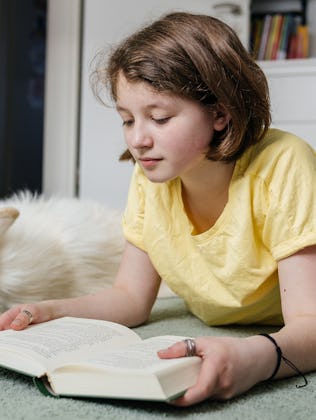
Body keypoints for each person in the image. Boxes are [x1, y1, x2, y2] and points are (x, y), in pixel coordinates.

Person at [1, 12, 316, 406]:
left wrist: (253, 358)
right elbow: (130, 297)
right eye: (127, 119)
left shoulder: (286, 164)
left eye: (159, 118)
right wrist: (50, 310)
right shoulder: (152, 177)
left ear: (220, 113)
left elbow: (310, 325)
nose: (137, 139)